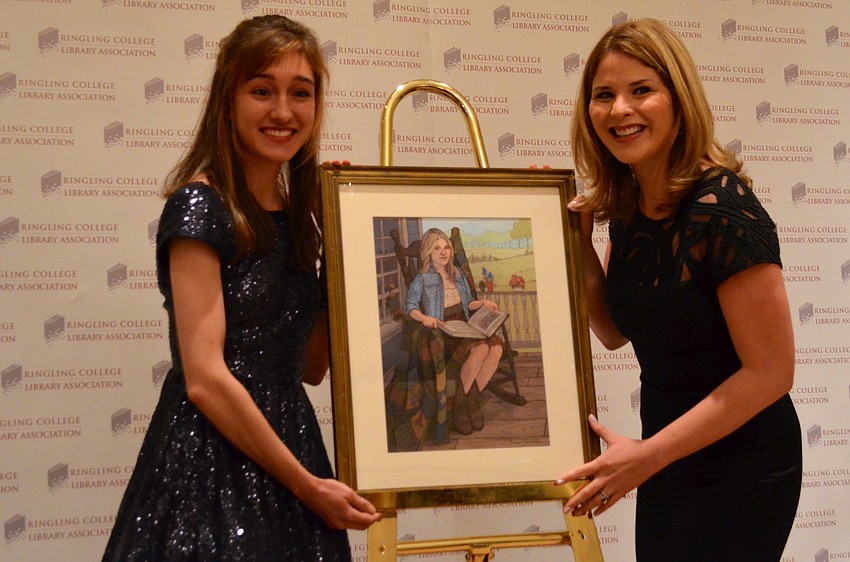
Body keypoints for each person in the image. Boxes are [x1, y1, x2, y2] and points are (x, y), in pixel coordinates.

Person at [102, 15, 380, 561]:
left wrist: (341, 243)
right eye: (262, 90)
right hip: (209, 463)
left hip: (289, 446)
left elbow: (312, 367)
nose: (283, 111)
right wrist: (307, 487)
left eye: (300, 93)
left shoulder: (300, 215)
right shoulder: (199, 207)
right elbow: (204, 380)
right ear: (227, 98)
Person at [555, 18, 802, 561]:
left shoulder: (724, 206)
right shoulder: (629, 204)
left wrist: (648, 456)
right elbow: (614, 332)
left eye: (641, 89)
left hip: (744, 465)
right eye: (604, 95)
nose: (620, 109)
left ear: (678, 98)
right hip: (667, 455)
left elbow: (771, 373)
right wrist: (577, 246)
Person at [405, 228, 503, 436]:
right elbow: (410, 306)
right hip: (443, 330)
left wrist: (483, 302)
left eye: (446, 247)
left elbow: (468, 303)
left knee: (495, 349)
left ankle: (466, 400)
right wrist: (425, 318)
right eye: (437, 248)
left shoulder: (457, 275)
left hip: (464, 324)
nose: (443, 252)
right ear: (428, 253)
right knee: (481, 349)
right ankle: (464, 407)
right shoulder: (422, 279)